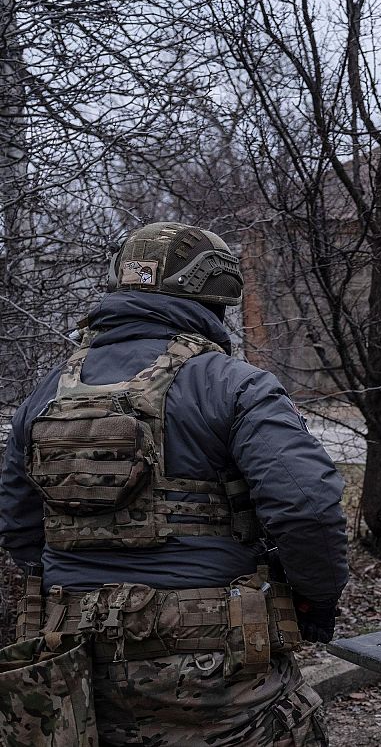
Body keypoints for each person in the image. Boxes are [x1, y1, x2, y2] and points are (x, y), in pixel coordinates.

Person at [0, 221, 349, 746]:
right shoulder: (233, 383)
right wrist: (316, 599)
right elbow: (308, 510)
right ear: (216, 299)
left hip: (73, 664)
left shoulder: (47, 392)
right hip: (216, 671)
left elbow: (20, 528)